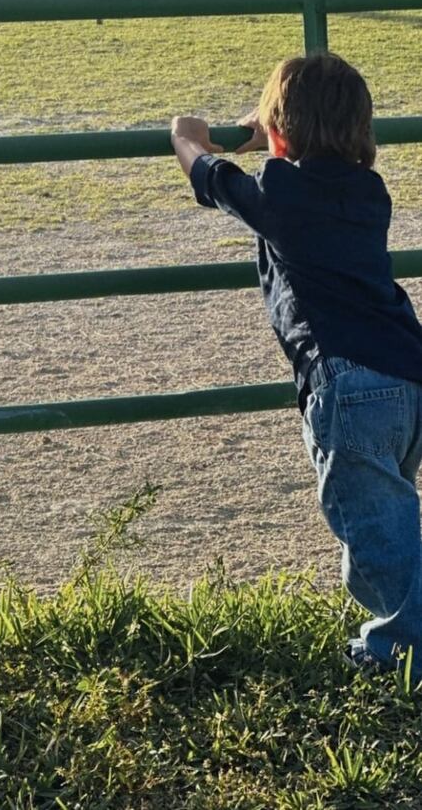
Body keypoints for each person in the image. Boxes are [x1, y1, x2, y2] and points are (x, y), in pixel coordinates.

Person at [170, 52, 422, 677]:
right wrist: (278, 143)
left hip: (350, 385)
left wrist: (188, 139)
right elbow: (303, 194)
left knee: (374, 533)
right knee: (393, 516)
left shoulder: (279, 192)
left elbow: (217, 182)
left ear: (280, 135)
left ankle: (404, 652)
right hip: (407, 373)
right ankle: (400, 639)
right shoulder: (369, 193)